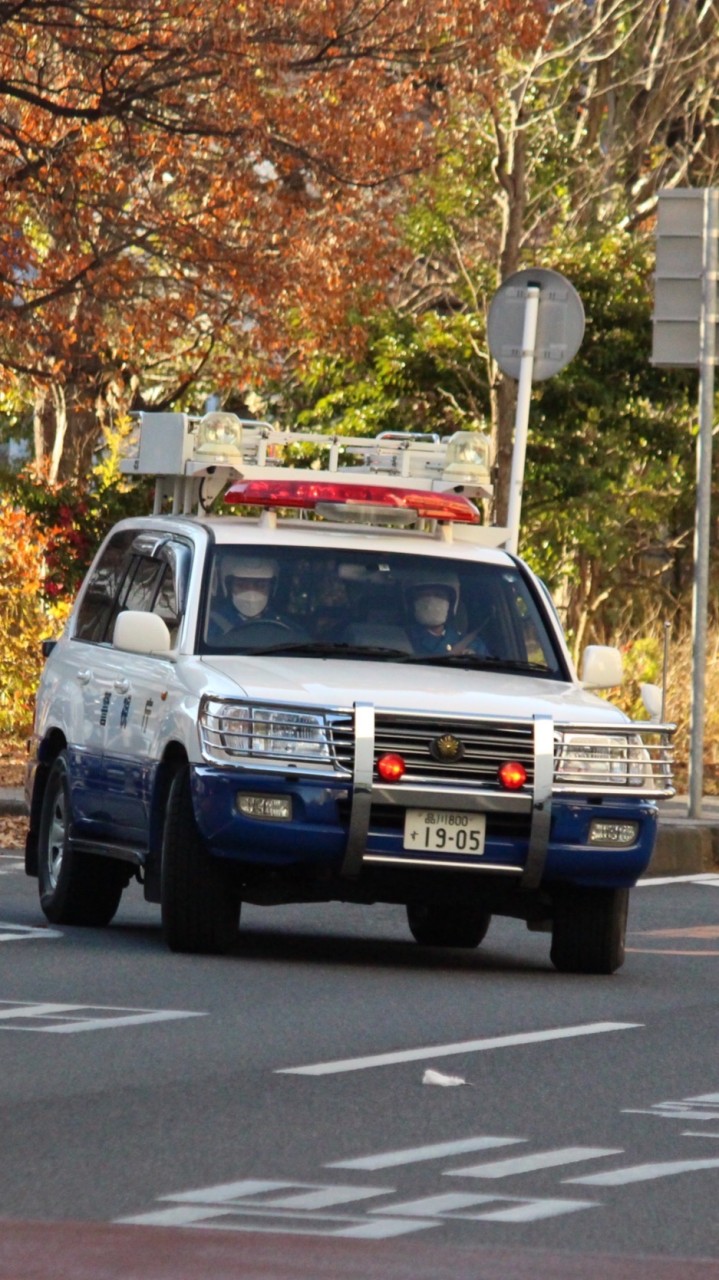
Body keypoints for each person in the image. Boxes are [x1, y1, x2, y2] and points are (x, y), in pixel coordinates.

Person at [405, 567, 487, 657]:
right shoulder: (401, 639)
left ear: (451, 603)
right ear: (412, 602)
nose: (431, 602)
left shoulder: (474, 644)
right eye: (424, 595)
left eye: (438, 595)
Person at [209, 554, 283, 639]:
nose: (251, 595)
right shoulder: (210, 626)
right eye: (241, 585)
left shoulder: (282, 624)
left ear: (271, 588)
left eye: (260, 586)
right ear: (228, 586)